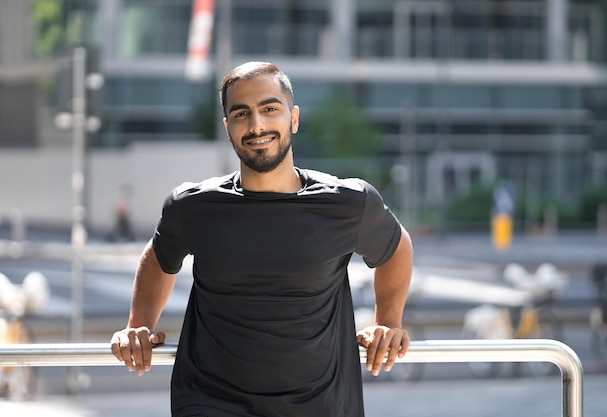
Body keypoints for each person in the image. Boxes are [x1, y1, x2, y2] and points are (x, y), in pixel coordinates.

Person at [110, 61, 413, 417]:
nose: (257, 125)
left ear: (293, 119)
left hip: (321, 404)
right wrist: (139, 326)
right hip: (211, 401)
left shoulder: (348, 203)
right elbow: (160, 257)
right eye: (241, 114)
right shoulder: (192, 207)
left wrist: (388, 322)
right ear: (228, 128)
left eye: (270, 109)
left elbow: (396, 248)